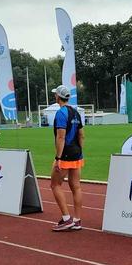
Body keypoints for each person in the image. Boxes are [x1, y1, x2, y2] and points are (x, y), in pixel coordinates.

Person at [50, 85, 85, 231]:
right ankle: (77, 220)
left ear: (58, 97)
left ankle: (66, 219)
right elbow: (81, 135)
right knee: (76, 186)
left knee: (55, 184)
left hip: (65, 154)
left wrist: (58, 158)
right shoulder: (76, 113)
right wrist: (79, 152)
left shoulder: (61, 113)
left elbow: (61, 136)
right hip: (77, 154)